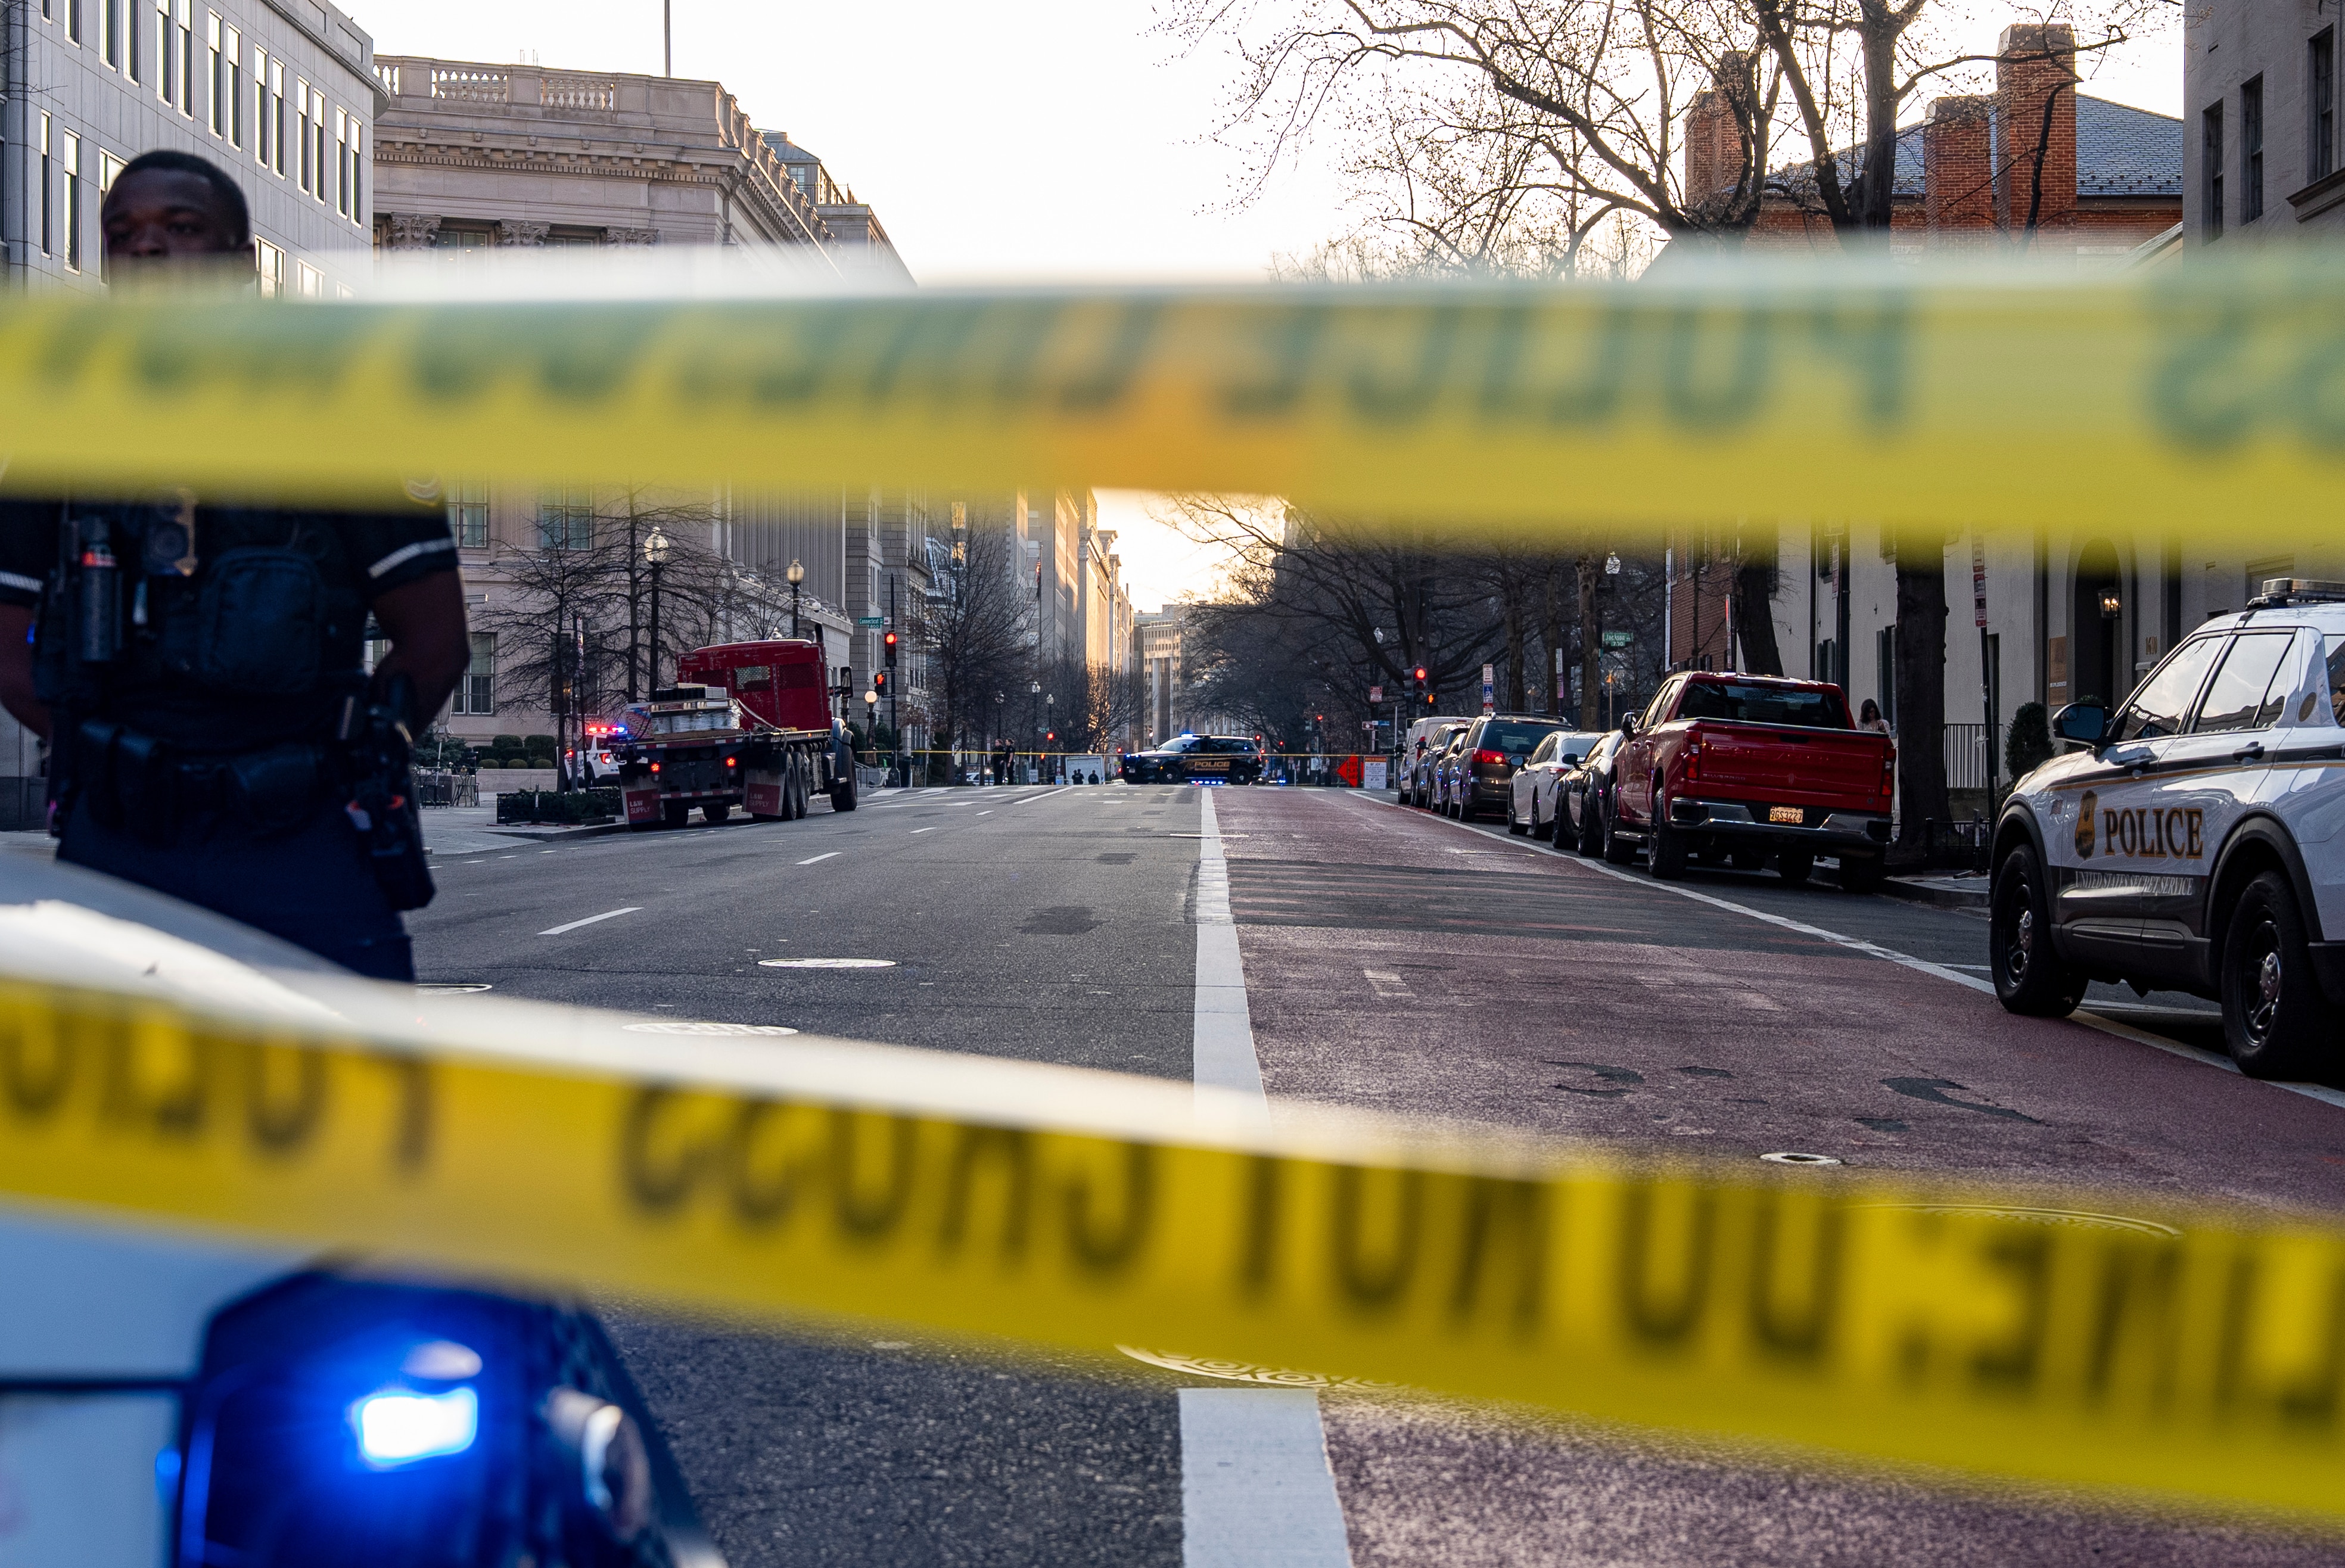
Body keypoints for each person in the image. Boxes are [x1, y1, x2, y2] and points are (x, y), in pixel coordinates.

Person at [0, 151, 469, 981]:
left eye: (180, 229)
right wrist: (111, 757)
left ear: (242, 265)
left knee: (349, 1098)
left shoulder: (342, 413)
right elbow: (4, 639)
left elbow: (433, 642)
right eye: (123, 234)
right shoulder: (56, 422)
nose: (147, 249)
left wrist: (353, 762)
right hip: (121, 841)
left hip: (301, 836)